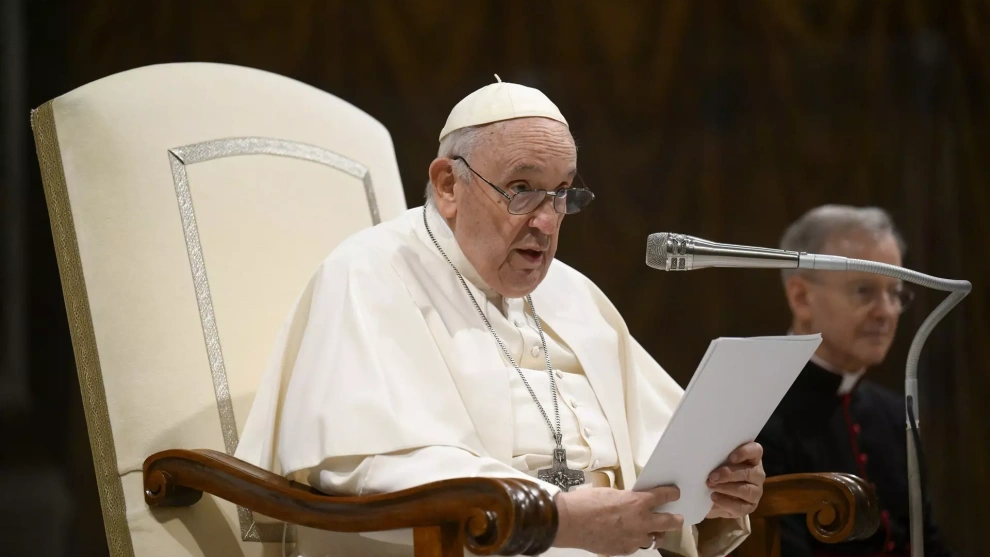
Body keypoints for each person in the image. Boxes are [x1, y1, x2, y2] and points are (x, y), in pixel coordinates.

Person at [237, 77, 763, 557]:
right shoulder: (371, 271)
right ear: (449, 185)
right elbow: (366, 466)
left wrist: (711, 485)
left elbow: (657, 452)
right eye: (522, 189)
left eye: (562, 194)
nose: (546, 222)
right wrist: (554, 517)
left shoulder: (574, 291)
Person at [756, 205, 954, 557]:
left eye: (895, 293)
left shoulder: (894, 413)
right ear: (801, 298)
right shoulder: (756, 413)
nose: (886, 312)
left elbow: (929, 543)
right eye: (864, 290)